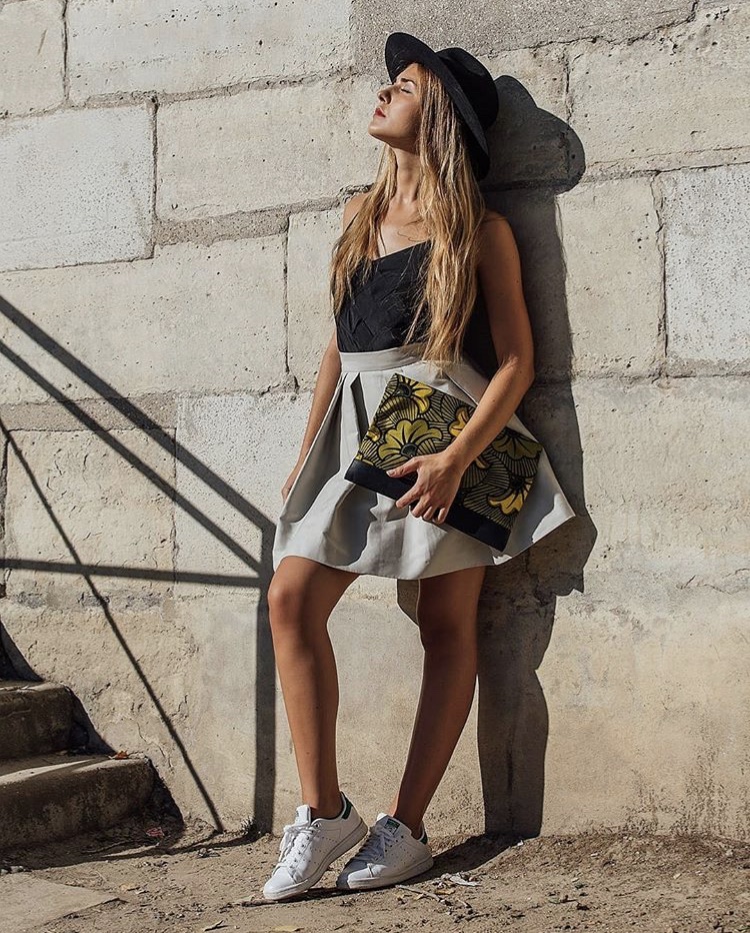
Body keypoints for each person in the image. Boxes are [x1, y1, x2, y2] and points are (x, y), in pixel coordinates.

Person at [263, 32, 576, 902]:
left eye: (401, 86)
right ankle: (324, 812)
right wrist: (309, 447)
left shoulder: (479, 229)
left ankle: (405, 828)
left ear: (437, 114)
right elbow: (338, 344)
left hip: (441, 429)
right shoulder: (359, 216)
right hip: (355, 429)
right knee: (290, 598)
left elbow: (517, 361)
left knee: (446, 624)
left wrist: (456, 458)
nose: (382, 93)